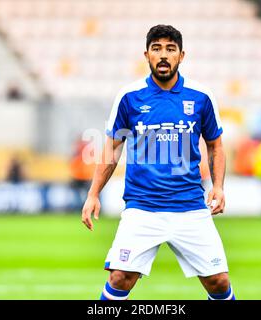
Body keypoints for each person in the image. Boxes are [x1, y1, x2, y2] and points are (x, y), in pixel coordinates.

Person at [82, 25, 234, 300]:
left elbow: (215, 145)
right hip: (142, 207)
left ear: (181, 56)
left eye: (170, 49)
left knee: (219, 282)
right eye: (157, 49)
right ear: (147, 55)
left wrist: (218, 186)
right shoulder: (130, 96)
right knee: (119, 277)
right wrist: (93, 193)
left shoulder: (201, 96)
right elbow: (112, 149)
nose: (163, 55)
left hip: (189, 206)